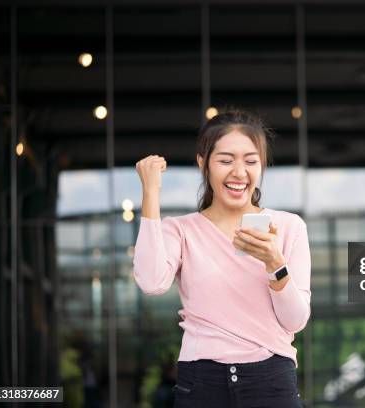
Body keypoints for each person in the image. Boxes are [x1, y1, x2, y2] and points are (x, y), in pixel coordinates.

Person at [133, 109, 311, 408]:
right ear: (203, 164)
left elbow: (295, 320)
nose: (239, 172)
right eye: (226, 161)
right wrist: (151, 192)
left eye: (251, 161)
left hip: (270, 381)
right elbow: (151, 282)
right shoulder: (182, 230)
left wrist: (275, 265)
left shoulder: (288, 227)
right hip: (201, 382)